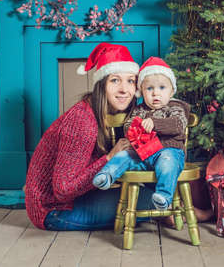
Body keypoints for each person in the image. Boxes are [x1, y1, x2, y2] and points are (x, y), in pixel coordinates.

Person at [25, 42, 156, 230]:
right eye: (115, 80)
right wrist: (110, 157)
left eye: (130, 81)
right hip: (53, 209)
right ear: (101, 85)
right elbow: (63, 190)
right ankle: (170, 215)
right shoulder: (82, 121)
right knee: (157, 201)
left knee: (149, 194)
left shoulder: (118, 113)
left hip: (75, 199)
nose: (124, 90)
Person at [92, 57, 190, 210]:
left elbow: (178, 125)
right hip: (143, 154)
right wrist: (134, 127)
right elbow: (128, 125)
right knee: (124, 156)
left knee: (167, 162)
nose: (155, 93)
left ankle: (164, 196)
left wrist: (154, 123)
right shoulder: (139, 110)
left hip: (168, 151)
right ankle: (107, 175)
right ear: (142, 91)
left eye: (162, 88)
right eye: (149, 89)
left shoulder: (176, 107)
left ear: (172, 91)